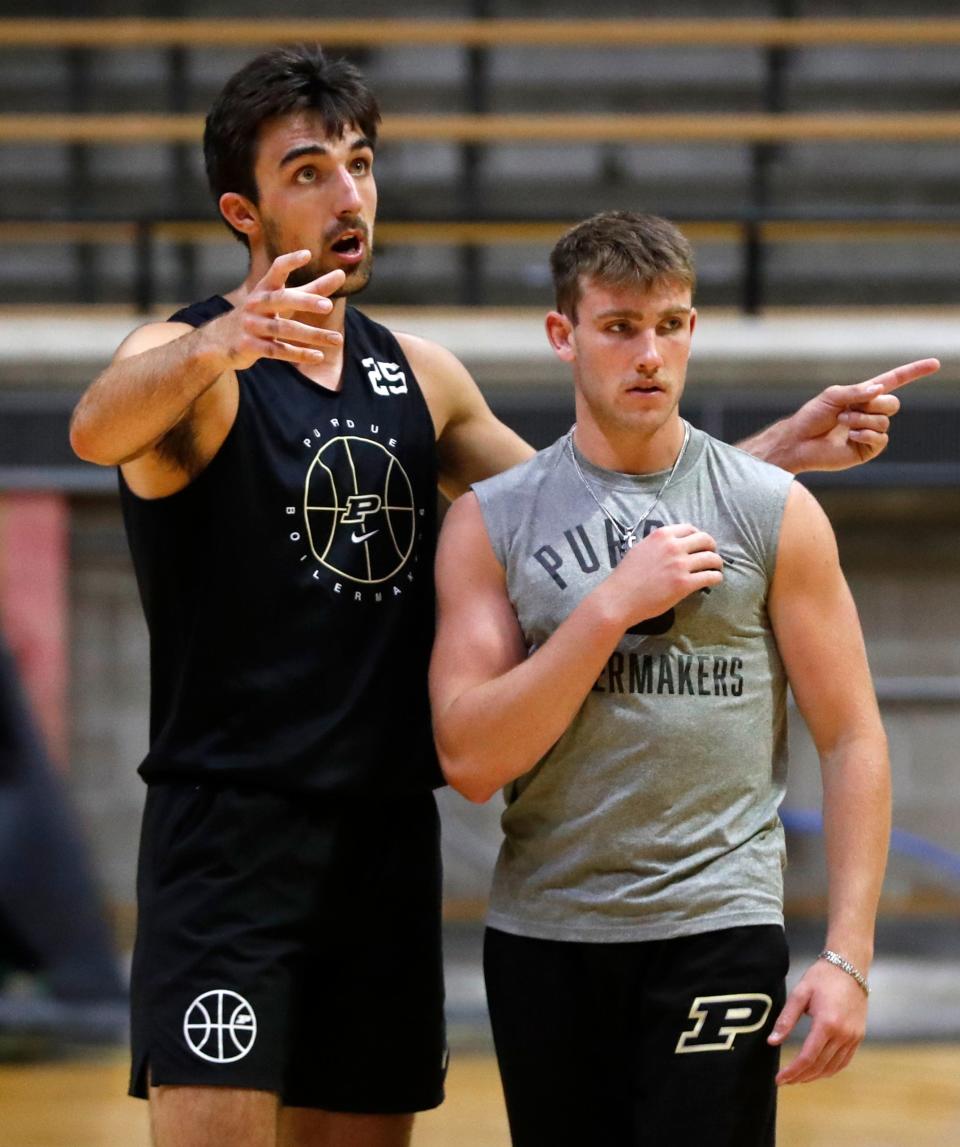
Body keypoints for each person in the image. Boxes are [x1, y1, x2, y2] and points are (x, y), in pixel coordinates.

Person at [68, 44, 933, 1147]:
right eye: (309, 172)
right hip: (230, 836)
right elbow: (94, 428)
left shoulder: (421, 376)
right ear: (242, 209)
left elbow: (568, 525)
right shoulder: (182, 362)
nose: (349, 196)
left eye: (361, 164)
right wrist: (223, 339)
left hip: (385, 839)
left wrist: (770, 463)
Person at [429, 211, 900, 1147]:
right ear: (563, 335)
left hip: (717, 921)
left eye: (672, 324)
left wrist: (847, 954)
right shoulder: (490, 521)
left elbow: (852, 735)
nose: (650, 353)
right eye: (619, 327)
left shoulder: (775, 510)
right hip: (548, 934)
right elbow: (472, 758)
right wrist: (607, 608)